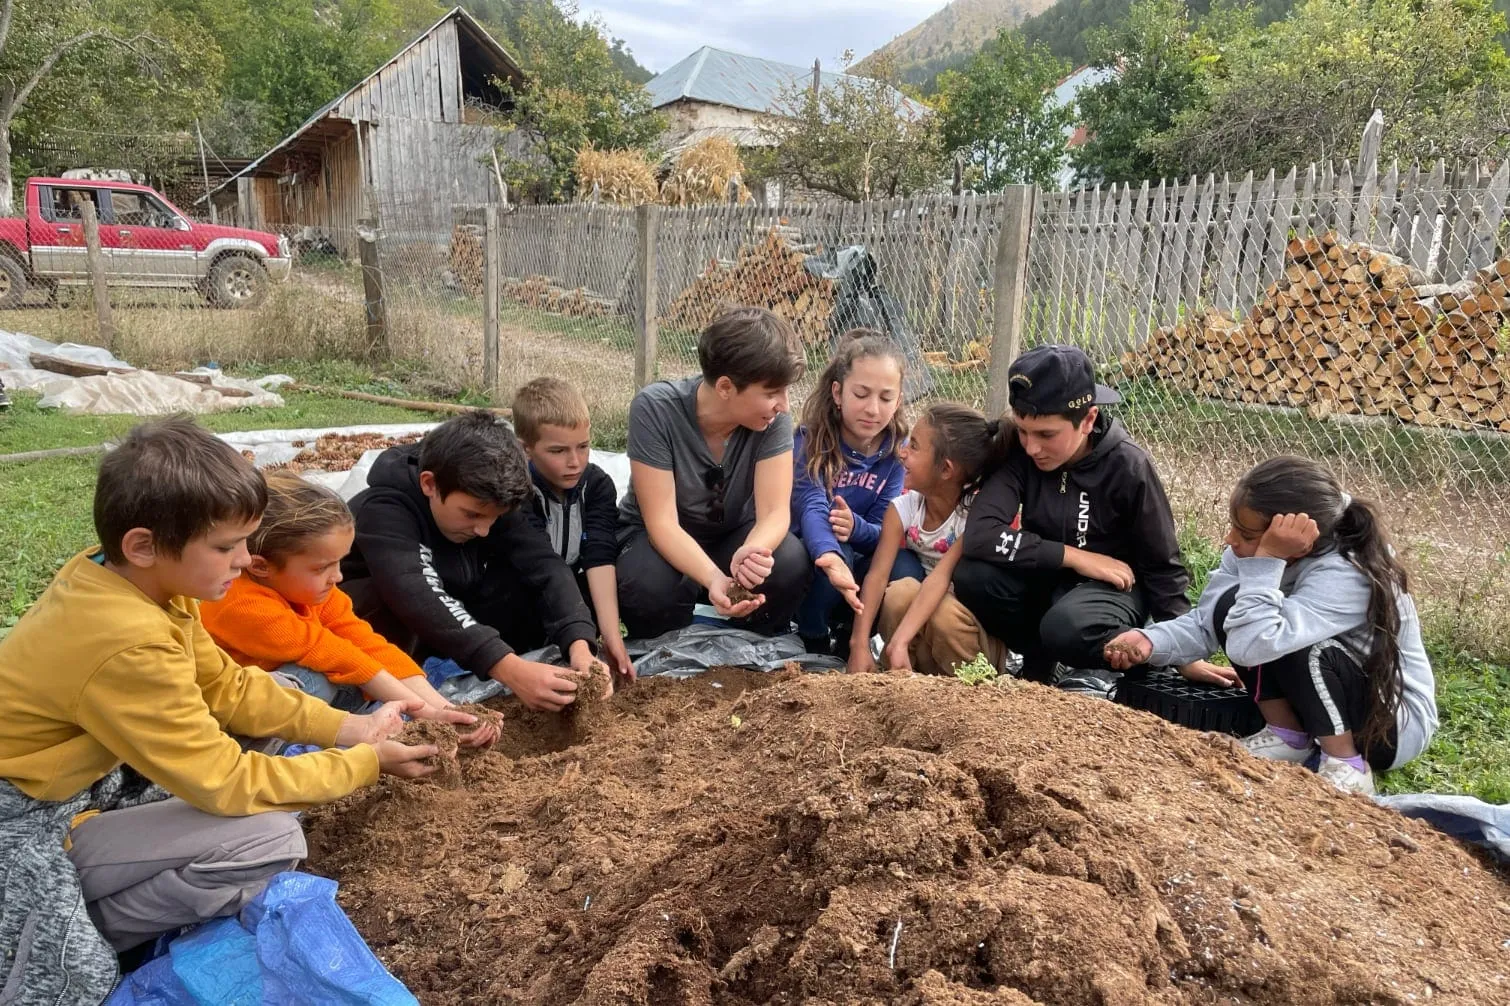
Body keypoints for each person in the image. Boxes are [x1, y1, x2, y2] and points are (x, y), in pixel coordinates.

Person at [0, 418, 439, 1003]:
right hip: (24, 823)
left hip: (83, 791)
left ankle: (96, 892)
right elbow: (224, 783)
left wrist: (351, 727)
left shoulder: (140, 582)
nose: (243, 561)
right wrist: (365, 761)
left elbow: (229, 687)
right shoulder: (126, 641)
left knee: (268, 764)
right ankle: (88, 924)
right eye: (226, 546)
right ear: (143, 545)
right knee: (264, 842)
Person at [1104, 456, 1438, 794]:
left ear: (1299, 540)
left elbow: (1253, 645)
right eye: (1234, 526)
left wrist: (1265, 563)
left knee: (1289, 637)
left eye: (1245, 533)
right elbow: (1210, 621)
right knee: (1232, 605)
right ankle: (1288, 737)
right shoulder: (1251, 550)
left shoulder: (1349, 571)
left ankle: (1347, 765)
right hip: (1324, 697)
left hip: (1386, 726)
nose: (1230, 540)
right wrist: (1150, 641)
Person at [201, 472, 500, 745]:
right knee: (314, 679)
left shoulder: (314, 592)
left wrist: (446, 710)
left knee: (359, 673)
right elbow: (339, 656)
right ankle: (254, 750)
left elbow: (366, 643)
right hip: (224, 716)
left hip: (294, 703)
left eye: (339, 562)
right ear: (261, 566)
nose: (338, 576)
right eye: (322, 567)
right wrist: (425, 714)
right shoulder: (240, 604)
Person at [955, 344, 1193, 683]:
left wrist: (1182, 649)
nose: (1031, 447)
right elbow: (980, 535)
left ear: (1089, 419)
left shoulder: (1128, 465)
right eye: (1022, 430)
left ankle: (1132, 669)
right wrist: (1074, 556)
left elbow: (1163, 565)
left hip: (1111, 591)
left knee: (1067, 627)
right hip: (1048, 577)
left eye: (1046, 434)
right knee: (973, 577)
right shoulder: (1021, 454)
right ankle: (1040, 662)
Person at [342, 411, 603, 713]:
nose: (483, 529)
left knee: (524, 579)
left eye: (495, 517)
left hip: (452, 613)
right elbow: (417, 595)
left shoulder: (487, 497)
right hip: (381, 626)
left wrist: (581, 645)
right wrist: (508, 669)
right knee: (383, 598)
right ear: (429, 484)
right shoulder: (386, 508)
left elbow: (544, 565)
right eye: (472, 515)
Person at [616, 306, 810, 638]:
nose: (785, 405)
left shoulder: (773, 421)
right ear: (725, 387)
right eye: (772, 393)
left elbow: (775, 513)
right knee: (645, 585)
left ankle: (743, 639)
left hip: (730, 533)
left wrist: (752, 553)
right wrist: (712, 578)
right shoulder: (655, 409)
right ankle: (667, 641)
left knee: (789, 561)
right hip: (658, 539)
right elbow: (661, 523)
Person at [847, 403, 1009, 677]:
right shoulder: (903, 509)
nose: (902, 451)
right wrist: (859, 644)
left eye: (915, 447)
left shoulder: (975, 516)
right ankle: (904, 680)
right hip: (924, 632)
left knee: (941, 613)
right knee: (900, 593)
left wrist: (900, 639)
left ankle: (976, 688)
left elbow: (940, 579)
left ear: (946, 470)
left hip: (968, 636)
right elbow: (877, 576)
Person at [791, 329, 908, 655]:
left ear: (898, 401)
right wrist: (831, 553)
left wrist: (857, 527)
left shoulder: (896, 454)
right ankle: (811, 636)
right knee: (837, 552)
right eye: (861, 394)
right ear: (838, 393)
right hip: (812, 551)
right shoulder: (810, 441)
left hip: (860, 552)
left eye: (885, 398)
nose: (873, 409)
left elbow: (887, 528)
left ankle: (852, 634)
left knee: (904, 565)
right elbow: (811, 507)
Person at [512, 377, 633, 679]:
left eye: (583, 446)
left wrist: (613, 638)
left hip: (573, 589)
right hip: (526, 588)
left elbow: (600, 556)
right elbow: (541, 565)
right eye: (558, 451)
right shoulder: (516, 491)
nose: (575, 462)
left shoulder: (598, 485)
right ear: (526, 449)